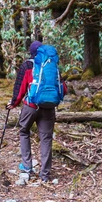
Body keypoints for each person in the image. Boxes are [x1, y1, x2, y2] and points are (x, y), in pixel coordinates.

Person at [7, 41, 67, 183]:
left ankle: (27, 167)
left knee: (24, 131)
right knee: (46, 139)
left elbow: (20, 87)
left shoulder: (28, 65)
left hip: (31, 106)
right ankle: (45, 175)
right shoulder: (52, 66)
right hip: (49, 107)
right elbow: (63, 88)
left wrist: (14, 103)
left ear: (31, 52)